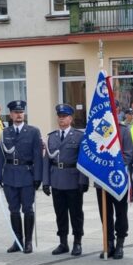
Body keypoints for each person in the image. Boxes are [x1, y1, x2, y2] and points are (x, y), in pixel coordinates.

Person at [0, 100, 42, 253]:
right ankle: (17, 241)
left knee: (27, 209)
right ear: (11, 115)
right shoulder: (5, 132)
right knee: (13, 210)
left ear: (24, 114)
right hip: (9, 175)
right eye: (15, 112)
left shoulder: (33, 131)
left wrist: (37, 177)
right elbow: (0, 156)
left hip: (27, 174)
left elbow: (38, 157)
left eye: (21, 112)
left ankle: (28, 242)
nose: (18, 115)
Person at [42, 103, 88, 256]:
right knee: (60, 213)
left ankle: (77, 242)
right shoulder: (52, 137)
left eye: (64, 117)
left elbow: (83, 160)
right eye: (59, 117)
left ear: (71, 118)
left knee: (76, 213)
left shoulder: (79, 136)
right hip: (56, 179)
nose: (61, 120)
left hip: (73, 179)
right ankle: (63, 242)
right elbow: (47, 161)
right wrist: (46, 182)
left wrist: (83, 181)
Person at [96, 112, 133, 260]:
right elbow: (94, 152)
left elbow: (129, 154)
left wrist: (113, 166)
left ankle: (120, 243)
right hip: (102, 179)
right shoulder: (99, 129)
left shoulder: (123, 131)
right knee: (105, 213)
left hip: (117, 179)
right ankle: (109, 243)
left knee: (121, 213)